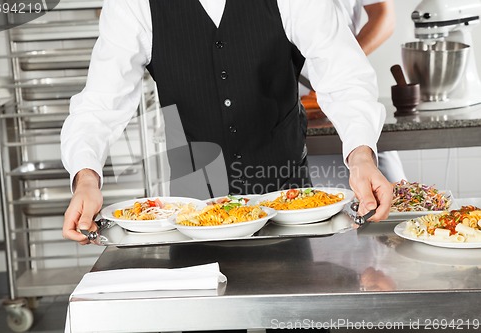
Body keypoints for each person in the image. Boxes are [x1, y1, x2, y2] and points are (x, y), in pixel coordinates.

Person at [60, 0, 393, 244]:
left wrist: (361, 155)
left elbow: (345, 77)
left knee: (296, 311)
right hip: (194, 210)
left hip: (290, 203)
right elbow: (100, 104)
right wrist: (86, 177)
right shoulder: (133, 5)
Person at [302, 0, 407, 184]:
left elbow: (384, 16)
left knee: (393, 193)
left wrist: (343, 65)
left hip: (346, 94)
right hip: (285, 110)